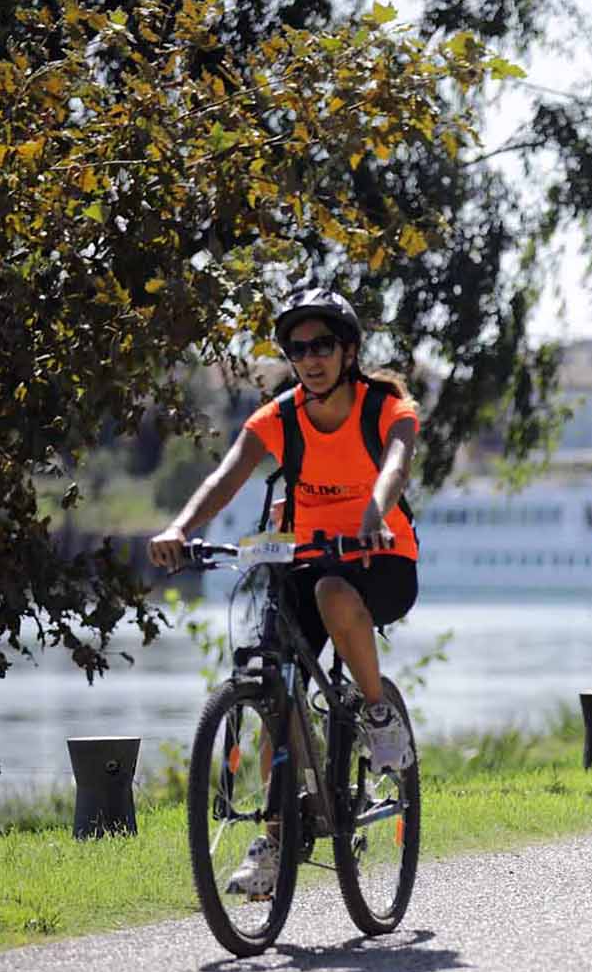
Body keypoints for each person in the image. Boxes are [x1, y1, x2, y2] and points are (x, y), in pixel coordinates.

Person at [148, 286, 420, 896]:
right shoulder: (281, 416)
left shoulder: (385, 407)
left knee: (331, 592)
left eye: (322, 345)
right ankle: (276, 838)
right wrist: (179, 529)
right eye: (298, 349)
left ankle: (377, 713)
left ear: (348, 351)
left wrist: (375, 511)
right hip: (303, 556)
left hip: (382, 559)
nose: (310, 358)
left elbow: (396, 465)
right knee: (278, 689)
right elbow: (226, 476)